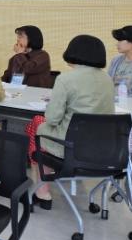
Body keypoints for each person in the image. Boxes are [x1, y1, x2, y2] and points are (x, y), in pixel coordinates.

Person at [25, 35, 114, 209]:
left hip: (70, 146)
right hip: (100, 147)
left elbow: (53, 119)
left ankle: (42, 191)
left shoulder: (66, 79)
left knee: (37, 123)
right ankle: (43, 188)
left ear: (73, 51)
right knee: (40, 128)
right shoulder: (107, 80)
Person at [109, 25, 132, 94]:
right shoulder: (116, 60)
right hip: (115, 99)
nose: (117, 44)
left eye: (120, 41)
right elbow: (109, 82)